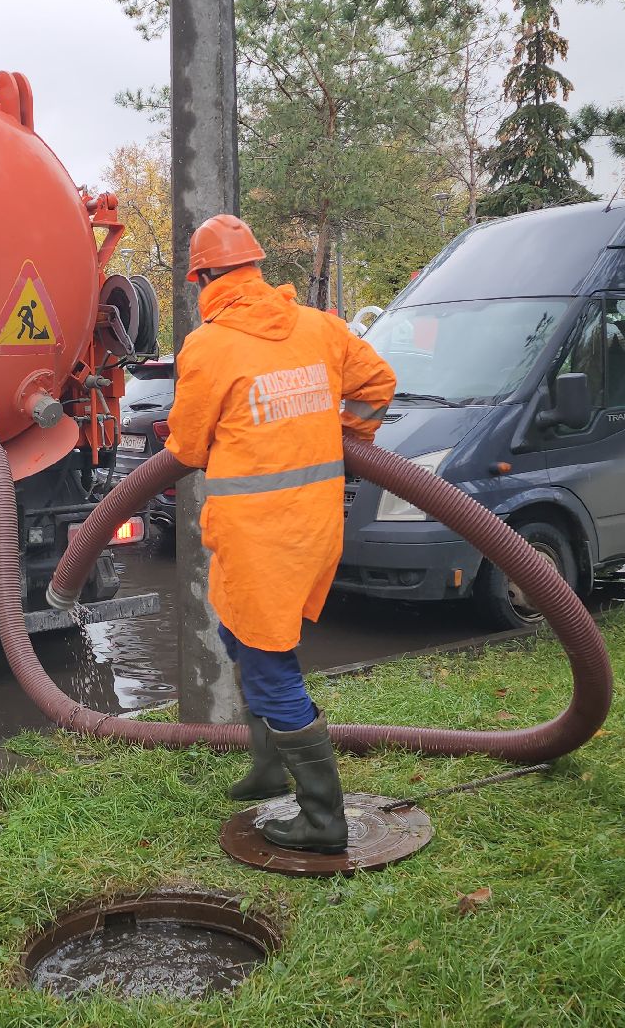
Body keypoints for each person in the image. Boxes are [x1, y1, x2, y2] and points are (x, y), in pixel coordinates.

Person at [163, 214, 397, 854]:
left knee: (269, 667)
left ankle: (323, 819)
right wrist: (350, 434)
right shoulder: (320, 329)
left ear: (204, 278)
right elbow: (378, 385)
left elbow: (186, 444)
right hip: (315, 528)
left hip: (258, 540)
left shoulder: (209, 348)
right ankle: (268, 767)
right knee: (240, 639)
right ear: (256, 269)